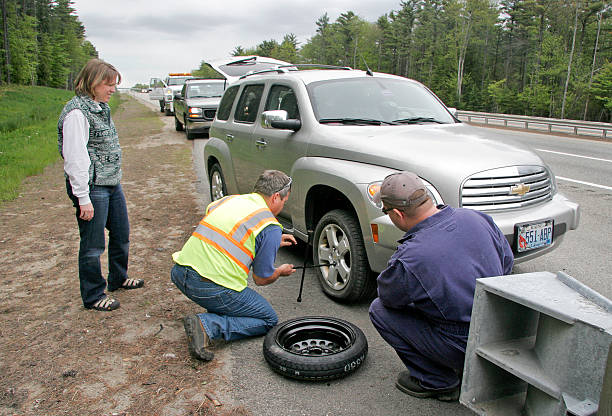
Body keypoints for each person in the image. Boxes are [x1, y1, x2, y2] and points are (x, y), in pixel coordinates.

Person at [369, 171, 514, 401]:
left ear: (397, 214)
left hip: (464, 342)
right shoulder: (476, 217)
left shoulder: (411, 257)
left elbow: (389, 298)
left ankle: (438, 381)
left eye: (385, 211)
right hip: (505, 328)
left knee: (379, 310)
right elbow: (507, 263)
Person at [171, 170, 297, 361]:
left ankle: (215, 312)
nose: (282, 206)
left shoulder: (229, 200)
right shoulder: (269, 225)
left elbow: (227, 232)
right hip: (209, 286)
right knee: (268, 319)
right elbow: (261, 279)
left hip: (180, 273)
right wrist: (280, 271)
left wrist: (270, 242)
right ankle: (208, 326)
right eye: (284, 201)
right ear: (276, 197)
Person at [58, 58, 144, 312]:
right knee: (93, 243)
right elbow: (75, 158)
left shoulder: (100, 107)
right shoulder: (76, 113)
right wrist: (83, 197)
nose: (112, 89)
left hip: (111, 183)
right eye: (108, 84)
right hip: (93, 187)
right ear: (92, 82)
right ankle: (94, 294)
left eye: (114, 85)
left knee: (121, 233)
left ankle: (118, 278)